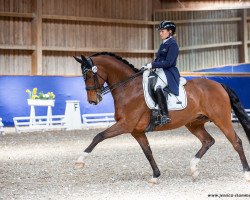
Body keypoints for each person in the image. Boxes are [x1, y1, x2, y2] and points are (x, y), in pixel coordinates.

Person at [143, 20, 180, 125]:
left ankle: (165, 115)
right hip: (160, 70)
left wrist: (153, 65)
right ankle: (154, 109)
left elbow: (169, 62)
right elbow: (158, 59)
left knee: (157, 86)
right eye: (160, 31)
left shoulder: (173, 44)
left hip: (169, 72)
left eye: (162, 31)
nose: (160, 33)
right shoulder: (163, 44)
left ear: (170, 31)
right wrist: (149, 65)